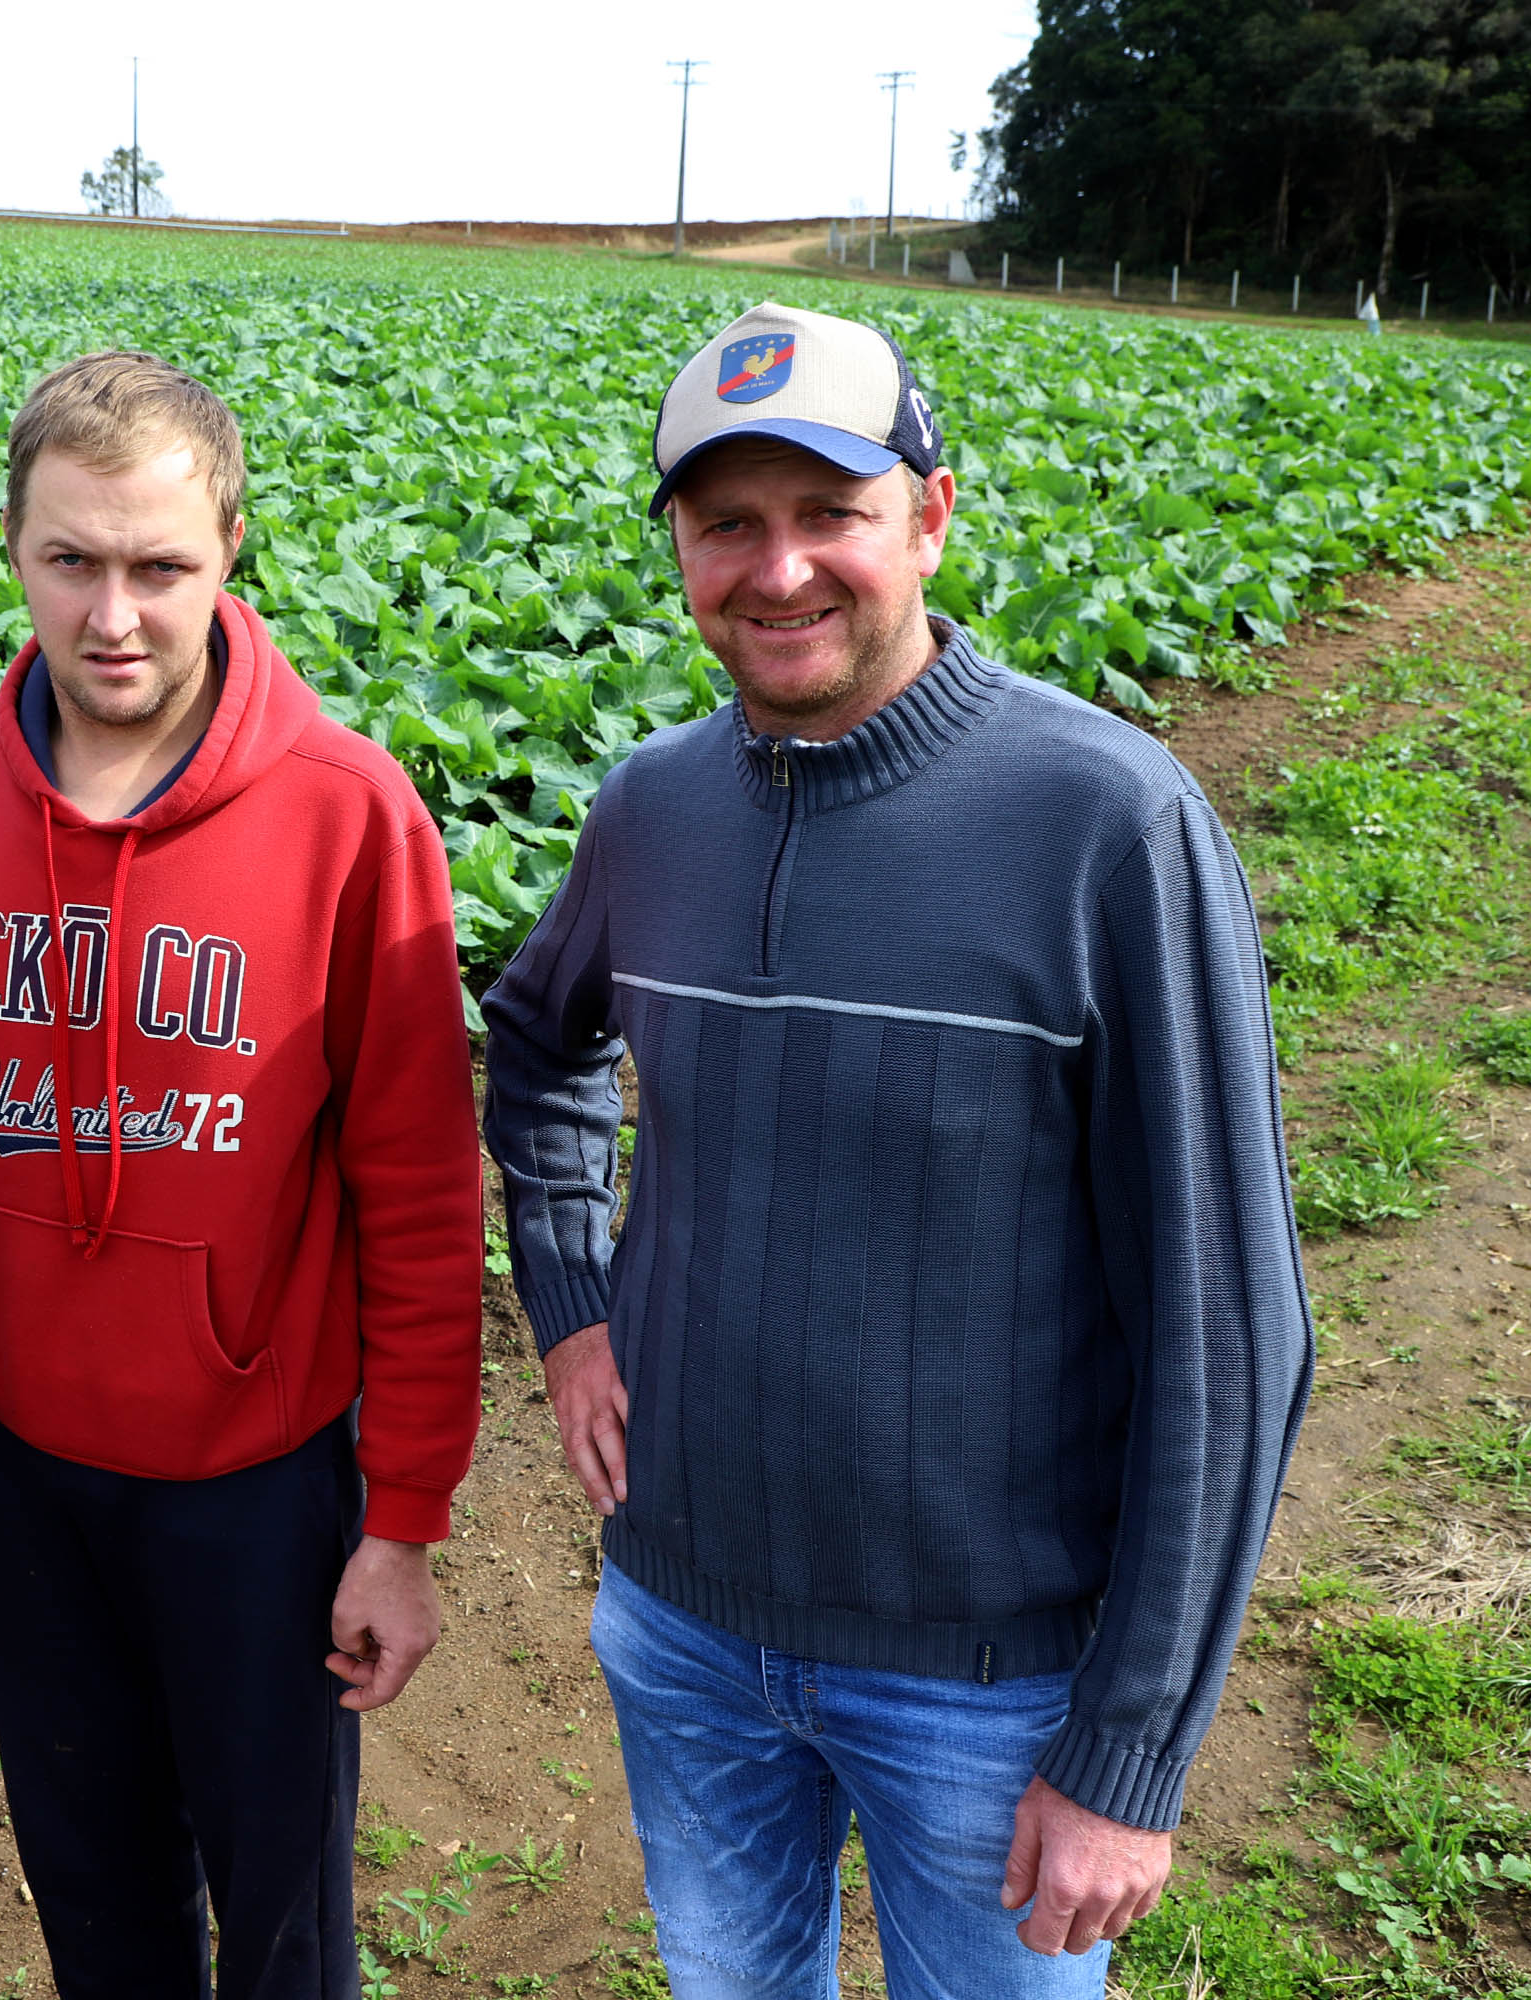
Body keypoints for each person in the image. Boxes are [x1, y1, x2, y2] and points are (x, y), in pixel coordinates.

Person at [482, 301, 1314, 1998]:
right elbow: (538, 1038)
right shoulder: (650, 808)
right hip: (684, 1627)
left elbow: (1230, 1332)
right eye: (729, 525)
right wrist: (570, 1304)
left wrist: (1129, 1755)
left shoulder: (1108, 822)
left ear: (928, 516)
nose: (779, 570)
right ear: (682, 553)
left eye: (830, 513)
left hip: (990, 1683)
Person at [0, 351, 483, 1999]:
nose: (113, 612)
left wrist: (401, 1519)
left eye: (160, 566)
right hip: (34, 1467)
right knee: (89, 1886)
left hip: (260, 1479)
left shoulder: (349, 813)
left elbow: (420, 1194)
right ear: (12, 551)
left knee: (278, 1909)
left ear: (229, 556)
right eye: (71, 560)